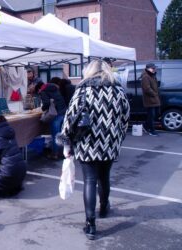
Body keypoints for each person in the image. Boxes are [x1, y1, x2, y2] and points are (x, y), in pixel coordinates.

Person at [56, 59, 130, 240]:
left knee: (89, 180)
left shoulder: (82, 90)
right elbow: (125, 117)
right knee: (104, 177)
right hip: (109, 143)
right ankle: (104, 207)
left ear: (89, 71)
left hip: (87, 142)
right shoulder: (118, 90)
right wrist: (118, 137)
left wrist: (66, 141)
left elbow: (70, 118)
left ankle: (90, 225)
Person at [39, 79, 67, 160]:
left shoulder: (43, 91)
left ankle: (55, 154)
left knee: (55, 135)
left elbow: (46, 103)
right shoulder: (55, 89)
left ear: (39, 88)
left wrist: (43, 108)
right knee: (61, 134)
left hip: (55, 114)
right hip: (63, 112)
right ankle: (63, 152)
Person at [141, 63, 160, 136]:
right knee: (151, 115)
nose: (154, 69)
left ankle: (145, 126)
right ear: (148, 68)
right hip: (149, 99)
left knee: (155, 114)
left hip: (154, 99)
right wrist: (154, 94)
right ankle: (152, 130)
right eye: (153, 68)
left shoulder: (152, 76)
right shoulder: (145, 77)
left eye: (154, 68)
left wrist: (156, 94)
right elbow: (147, 89)